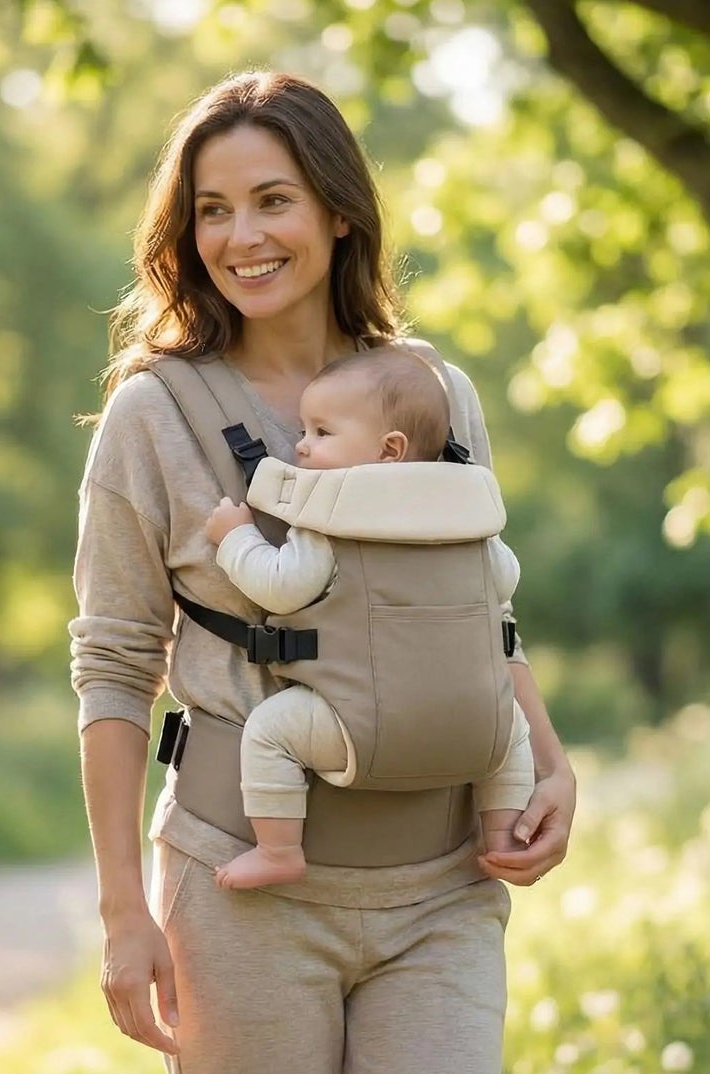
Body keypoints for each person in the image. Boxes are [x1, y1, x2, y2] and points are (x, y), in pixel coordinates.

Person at [69, 70, 577, 1074]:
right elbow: (112, 665)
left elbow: (477, 611)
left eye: (272, 200)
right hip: (241, 895)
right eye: (210, 210)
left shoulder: (433, 394)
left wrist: (548, 762)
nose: (241, 237)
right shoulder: (154, 416)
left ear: (338, 211)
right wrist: (124, 912)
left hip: (440, 889)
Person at [204, 344, 536, 890]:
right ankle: (500, 837)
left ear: (389, 450)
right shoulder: (466, 516)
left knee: (268, 731)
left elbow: (281, 589)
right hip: (472, 724)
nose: (301, 447)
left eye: (321, 433)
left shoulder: (329, 518)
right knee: (512, 733)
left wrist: (235, 537)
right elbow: (503, 579)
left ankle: (278, 849)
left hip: (358, 723)